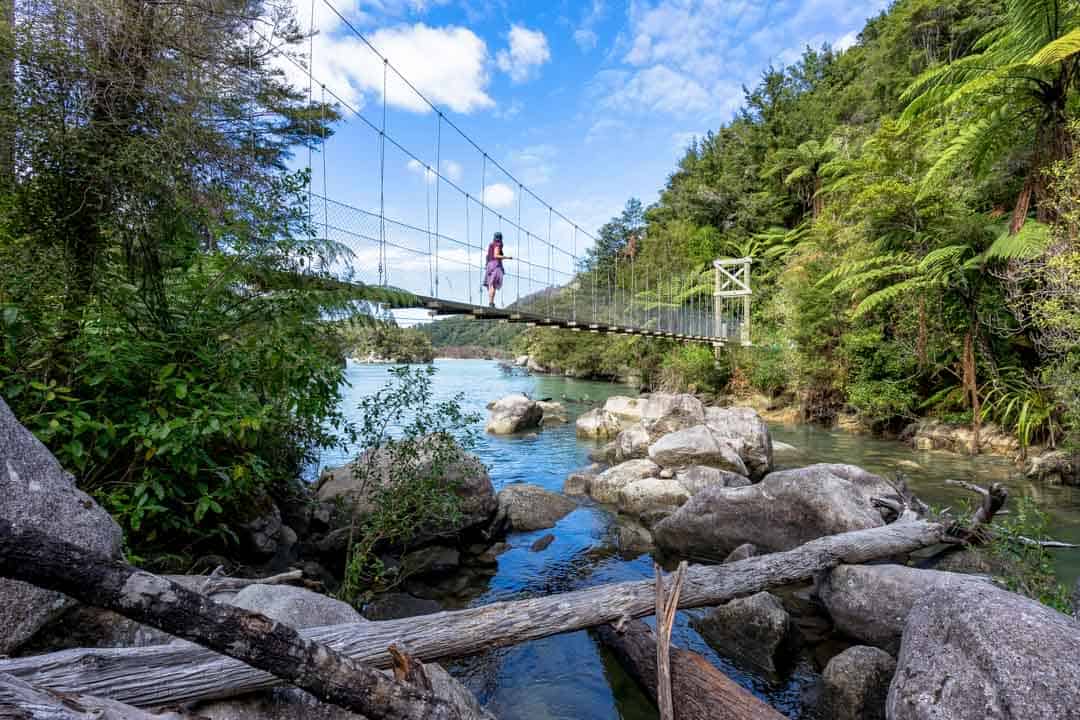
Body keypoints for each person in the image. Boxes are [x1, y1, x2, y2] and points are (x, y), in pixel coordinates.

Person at [482, 231, 511, 308]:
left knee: (490, 284)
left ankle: (491, 302)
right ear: (501, 238)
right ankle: (491, 303)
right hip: (496, 265)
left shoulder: (491, 245)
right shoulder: (498, 244)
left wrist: (487, 265)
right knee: (493, 285)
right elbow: (496, 255)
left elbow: (488, 256)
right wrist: (507, 257)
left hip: (489, 265)